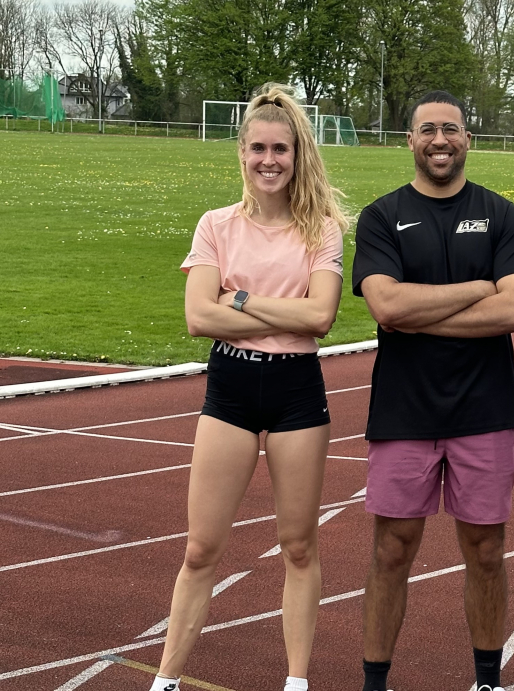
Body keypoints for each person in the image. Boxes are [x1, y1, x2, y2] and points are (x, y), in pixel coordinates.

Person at [148, 83, 348, 691]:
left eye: (280, 149)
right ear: (241, 154)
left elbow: (320, 319)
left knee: (298, 546)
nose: (269, 160)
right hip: (229, 390)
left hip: (296, 392)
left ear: (298, 154)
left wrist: (237, 296)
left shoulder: (324, 230)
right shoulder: (215, 225)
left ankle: (295, 681)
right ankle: (165, 680)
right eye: (258, 148)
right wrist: (275, 310)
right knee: (200, 550)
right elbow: (198, 319)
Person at [351, 90, 514, 691]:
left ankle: (487, 681)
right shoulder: (381, 216)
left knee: (486, 551)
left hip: (484, 408)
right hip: (404, 409)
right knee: (392, 551)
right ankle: (375, 683)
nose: (440, 140)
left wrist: (417, 313)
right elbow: (385, 303)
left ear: (467, 139)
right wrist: (479, 286)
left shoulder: (502, 214)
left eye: (451, 130)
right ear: (410, 140)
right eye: (428, 129)